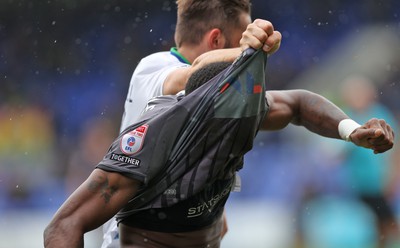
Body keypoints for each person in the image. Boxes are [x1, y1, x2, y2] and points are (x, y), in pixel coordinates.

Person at [44, 41, 395, 247]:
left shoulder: (241, 113)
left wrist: (351, 130)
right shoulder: (148, 145)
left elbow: (298, 104)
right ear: (208, 112)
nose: (254, 121)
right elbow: (62, 226)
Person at [106, 0, 282, 246]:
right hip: (131, 237)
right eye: (239, 39)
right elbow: (190, 77)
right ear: (216, 41)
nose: (242, 47)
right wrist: (250, 52)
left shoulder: (213, 100)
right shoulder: (155, 66)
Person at [339, 75, 400, 247]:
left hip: (380, 181)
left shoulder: (380, 116)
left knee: (387, 222)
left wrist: (393, 178)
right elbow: (338, 153)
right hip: (360, 183)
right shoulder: (347, 119)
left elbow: (396, 151)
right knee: (379, 222)